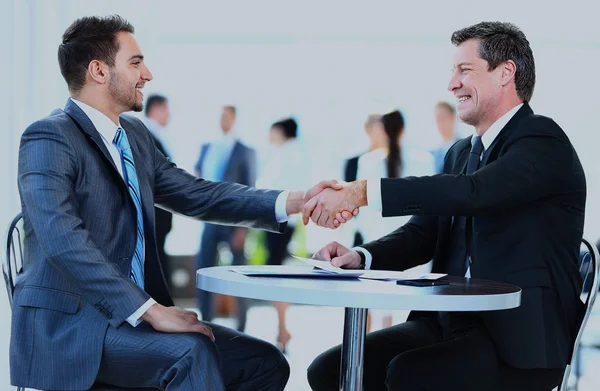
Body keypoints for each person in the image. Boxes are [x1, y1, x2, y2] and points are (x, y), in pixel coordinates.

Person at [11, 15, 348, 391]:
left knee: (263, 361)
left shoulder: (134, 136)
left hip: (130, 320)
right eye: (136, 63)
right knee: (190, 352)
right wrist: (150, 310)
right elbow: (63, 240)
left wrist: (299, 200)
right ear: (99, 71)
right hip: (74, 328)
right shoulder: (49, 137)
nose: (148, 74)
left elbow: (198, 194)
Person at [304, 21, 586, 391]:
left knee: (409, 374)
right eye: (452, 71)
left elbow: (475, 193)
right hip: (446, 323)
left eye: (464, 70)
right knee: (329, 369)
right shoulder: (460, 153)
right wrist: (359, 256)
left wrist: (361, 192)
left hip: (516, 340)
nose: (451, 84)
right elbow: (424, 233)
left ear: (505, 73)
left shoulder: (542, 141)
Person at [194, 105, 256, 332]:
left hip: (234, 222)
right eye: (220, 116)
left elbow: (251, 189)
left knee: (240, 274)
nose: (223, 120)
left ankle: (242, 326)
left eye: (227, 116)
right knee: (203, 269)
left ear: (235, 119)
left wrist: (243, 228)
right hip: (209, 219)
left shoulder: (245, 150)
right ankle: (205, 322)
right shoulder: (207, 148)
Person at [257, 117, 311, 352]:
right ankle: (282, 328)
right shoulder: (297, 154)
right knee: (276, 273)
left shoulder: (286, 156)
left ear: (280, 131)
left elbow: (270, 189)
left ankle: (283, 329)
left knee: (275, 274)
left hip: (280, 223)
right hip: (286, 224)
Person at [143, 94, 174, 290]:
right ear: (155, 108)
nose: (169, 115)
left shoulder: (155, 136)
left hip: (157, 223)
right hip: (153, 221)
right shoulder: (145, 136)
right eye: (166, 109)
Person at [431, 101, 460, 173]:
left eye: (443, 117)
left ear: (453, 118)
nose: (440, 122)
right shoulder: (434, 153)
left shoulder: (466, 148)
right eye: (437, 118)